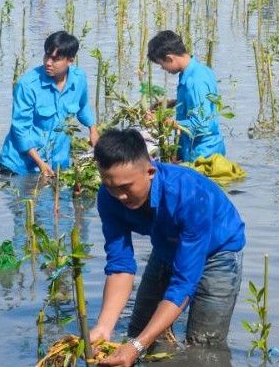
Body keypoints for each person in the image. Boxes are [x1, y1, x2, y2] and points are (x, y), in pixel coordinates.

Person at [90, 129, 245, 365]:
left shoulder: (188, 194)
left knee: (204, 347)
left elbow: (184, 282)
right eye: (111, 186)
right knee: (139, 329)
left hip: (218, 252)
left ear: (150, 171)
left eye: (126, 187)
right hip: (167, 246)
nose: (120, 196)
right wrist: (103, 327)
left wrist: (137, 346)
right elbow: (120, 266)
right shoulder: (109, 197)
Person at [0, 31, 99, 176]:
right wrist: (41, 164)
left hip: (58, 162)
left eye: (55, 59)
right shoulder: (27, 85)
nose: (48, 63)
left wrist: (93, 131)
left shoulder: (79, 79)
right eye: (47, 56)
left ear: (70, 61)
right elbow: (20, 129)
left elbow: (83, 107)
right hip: (18, 166)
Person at [147, 30, 225, 161]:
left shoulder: (194, 81)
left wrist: (162, 121)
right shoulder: (200, 70)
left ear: (170, 58)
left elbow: (201, 126)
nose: (163, 69)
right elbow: (201, 102)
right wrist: (173, 103)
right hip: (205, 149)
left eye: (161, 64)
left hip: (202, 155)